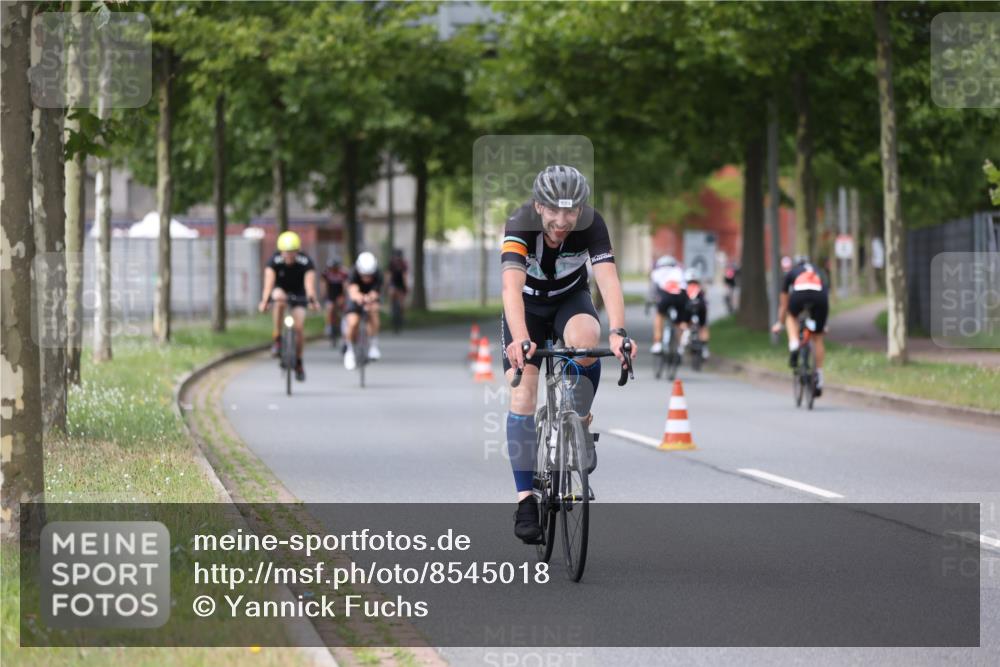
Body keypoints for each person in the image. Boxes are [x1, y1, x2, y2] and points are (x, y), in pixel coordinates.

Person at [501, 165, 636, 544]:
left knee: (587, 340)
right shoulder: (520, 224)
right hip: (526, 307)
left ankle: (576, 423)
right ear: (539, 206)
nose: (563, 220)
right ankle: (525, 499)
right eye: (555, 211)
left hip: (568, 300)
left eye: (571, 211)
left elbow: (607, 278)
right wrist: (521, 339)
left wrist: (618, 333)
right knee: (523, 392)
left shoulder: (592, 224)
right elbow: (511, 288)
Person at [258, 231, 319, 382]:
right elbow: (269, 284)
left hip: (299, 293)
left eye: (292, 252)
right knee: (278, 299)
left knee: (299, 328)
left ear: (298, 251)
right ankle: (277, 337)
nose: (289, 256)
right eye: (286, 252)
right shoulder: (274, 261)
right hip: (281, 290)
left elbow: (309, 285)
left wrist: (312, 300)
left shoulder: (306, 262)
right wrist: (265, 301)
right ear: (281, 251)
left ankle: (298, 362)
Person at [771, 255, 829, 396]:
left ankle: (794, 344)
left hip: (799, 295)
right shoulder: (818, 271)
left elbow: (784, 304)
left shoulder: (792, 273)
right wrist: (823, 324)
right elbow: (826, 291)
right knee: (818, 338)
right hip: (819, 297)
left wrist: (780, 322)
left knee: (791, 317)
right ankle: (819, 376)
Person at [343, 251, 383, 370]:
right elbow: (352, 291)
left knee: (374, 312)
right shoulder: (353, 273)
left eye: (369, 275)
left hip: (371, 297)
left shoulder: (378, 274)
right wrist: (360, 298)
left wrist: (370, 299)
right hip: (356, 298)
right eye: (364, 275)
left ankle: (373, 345)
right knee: (353, 322)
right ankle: (349, 351)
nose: (367, 278)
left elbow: (376, 292)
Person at [649, 255, 689, 355]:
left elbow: (653, 291)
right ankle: (680, 346)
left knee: (659, 315)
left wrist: (652, 300)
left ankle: (657, 344)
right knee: (679, 322)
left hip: (666, 295)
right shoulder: (679, 271)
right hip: (681, 295)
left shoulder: (656, 272)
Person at [684, 267, 710, 359]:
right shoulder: (700, 288)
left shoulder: (685, 288)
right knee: (703, 326)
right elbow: (705, 302)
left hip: (688, 310)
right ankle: (705, 348)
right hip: (701, 309)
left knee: (684, 323)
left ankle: (684, 339)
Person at [322, 256, 348, 344]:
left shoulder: (343, 273)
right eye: (331, 268)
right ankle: (329, 326)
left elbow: (345, 286)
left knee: (342, 310)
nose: (333, 270)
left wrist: (343, 296)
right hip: (331, 294)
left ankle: (342, 326)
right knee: (330, 309)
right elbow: (323, 285)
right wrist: (324, 295)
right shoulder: (326, 273)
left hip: (340, 293)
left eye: (334, 268)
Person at [387, 248, 408, 332]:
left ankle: (402, 315)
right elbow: (388, 275)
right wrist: (388, 285)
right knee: (391, 294)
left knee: (401, 302)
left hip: (401, 285)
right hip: (394, 284)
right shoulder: (391, 263)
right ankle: (391, 309)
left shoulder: (403, 264)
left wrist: (405, 286)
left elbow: (404, 276)